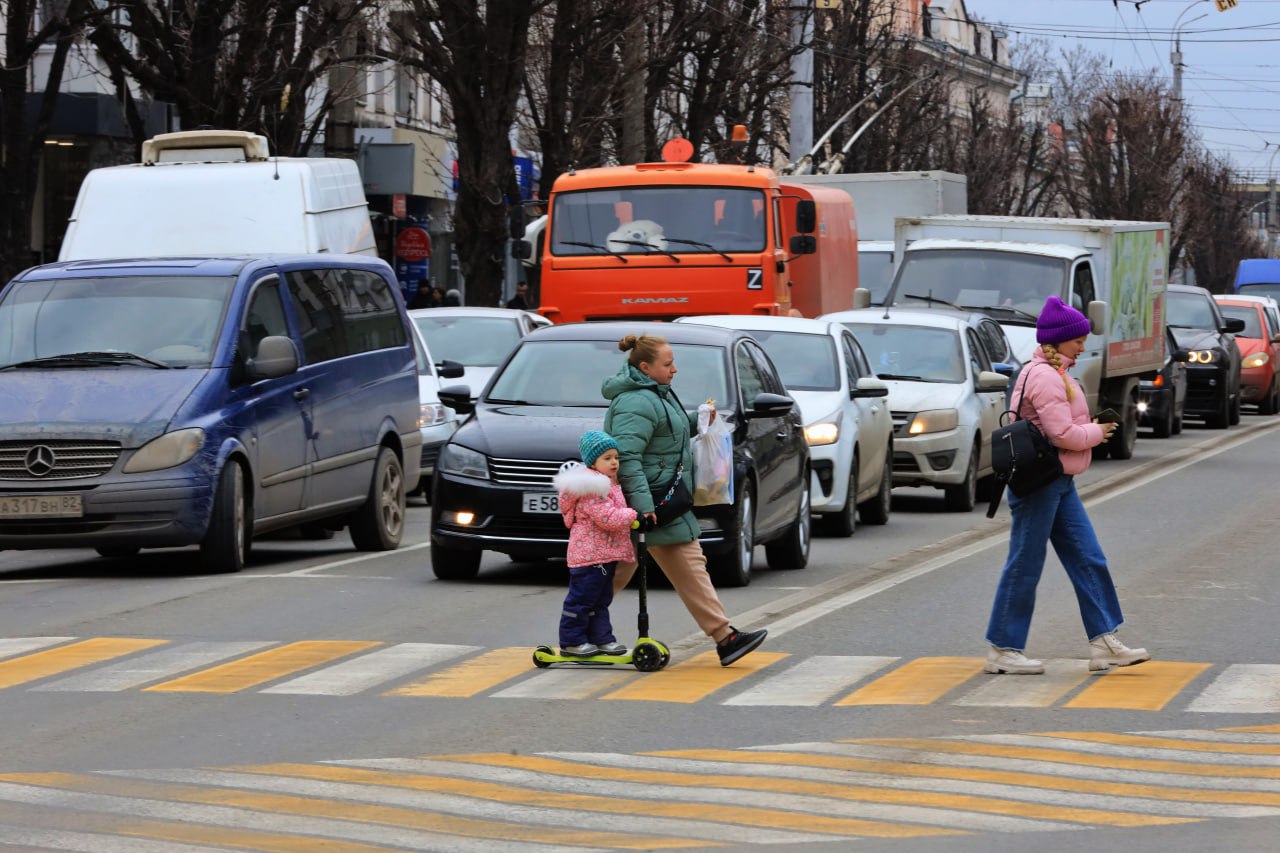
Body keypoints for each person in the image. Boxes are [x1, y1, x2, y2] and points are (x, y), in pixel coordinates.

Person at [984, 296, 1151, 675]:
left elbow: (1058, 426)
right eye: (1077, 339)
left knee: (1088, 557)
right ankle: (1003, 648)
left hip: (1058, 481)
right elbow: (1061, 434)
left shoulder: (1058, 374)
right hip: (1040, 483)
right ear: (1058, 341)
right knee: (1025, 563)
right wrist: (1098, 430)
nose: (1082, 344)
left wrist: (1090, 427)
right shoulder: (1044, 376)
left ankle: (1104, 641)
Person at [603, 333, 768, 666]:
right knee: (616, 571)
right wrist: (644, 506)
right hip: (650, 505)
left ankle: (725, 637)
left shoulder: (656, 395)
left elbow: (667, 436)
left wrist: (698, 420)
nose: (675, 369)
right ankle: (578, 632)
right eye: (668, 364)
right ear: (646, 367)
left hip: (661, 502)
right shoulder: (636, 402)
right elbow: (628, 457)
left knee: (684, 565)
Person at [551, 431, 637, 657]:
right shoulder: (592, 488)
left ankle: (601, 638)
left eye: (616, 457)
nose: (614, 462)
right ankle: (571, 640)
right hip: (589, 556)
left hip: (604, 554)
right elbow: (607, 518)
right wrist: (633, 516)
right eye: (607, 458)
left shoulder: (609, 483)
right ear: (593, 462)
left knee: (600, 600)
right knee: (581, 600)